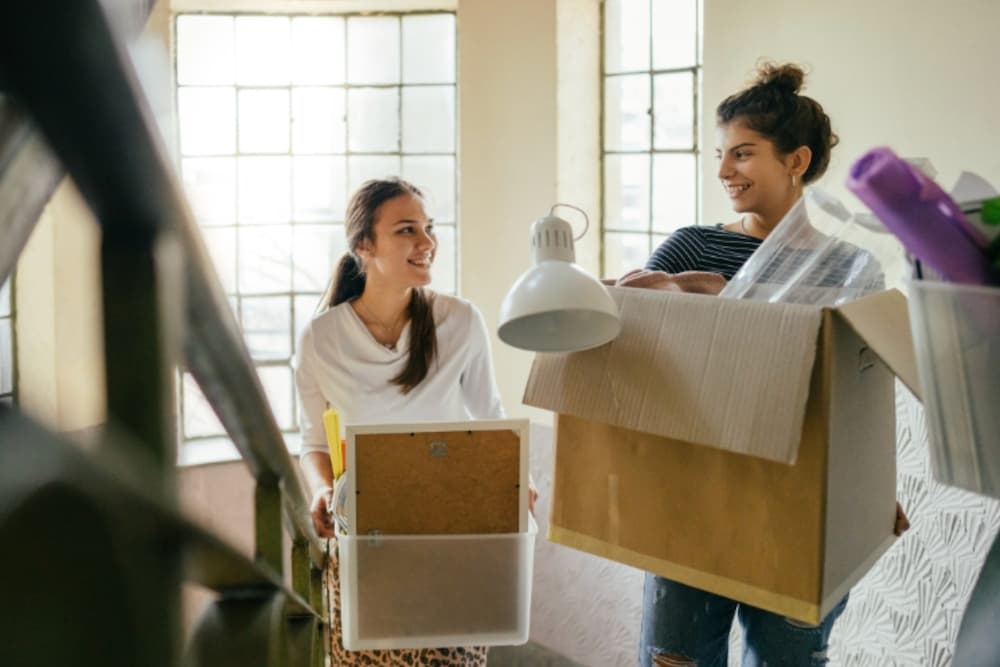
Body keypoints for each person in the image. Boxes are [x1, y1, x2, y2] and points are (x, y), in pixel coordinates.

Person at [622, 62, 911, 667]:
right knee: (674, 658)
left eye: (743, 154)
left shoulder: (850, 268)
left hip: (801, 500)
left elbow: (858, 391)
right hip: (694, 492)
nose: (724, 171)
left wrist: (872, 488)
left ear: (796, 160)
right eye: (721, 155)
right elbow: (642, 363)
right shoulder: (693, 246)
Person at [295, 177, 517, 667]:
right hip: (364, 548)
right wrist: (322, 490)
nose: (427, 242)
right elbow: (314, 441)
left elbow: (491, 422)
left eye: (428, 228)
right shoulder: (320, 339)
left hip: (449, 542)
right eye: (406, 230)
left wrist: (515, 483)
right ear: (363, 246)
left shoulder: (461, 321)